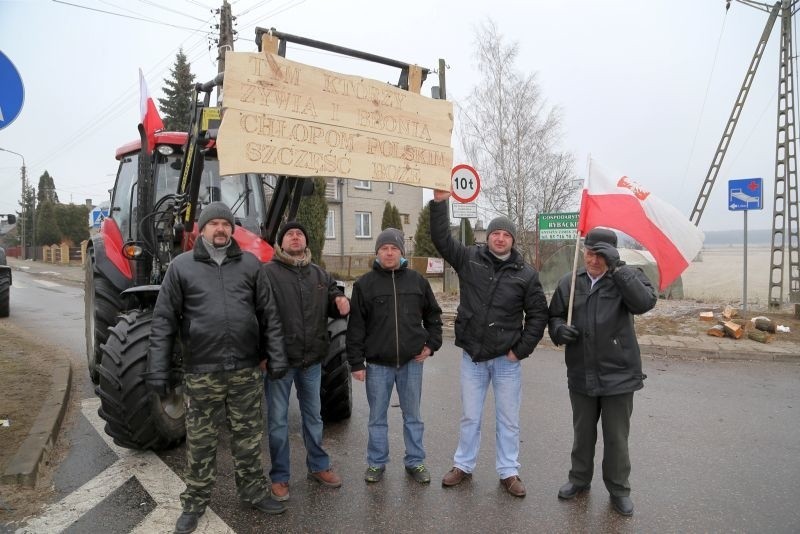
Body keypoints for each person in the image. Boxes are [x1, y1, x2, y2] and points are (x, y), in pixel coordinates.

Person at [147, 202, 287, 534]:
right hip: (202, 371)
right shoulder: (181, 267)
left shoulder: (251, 265)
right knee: (200, 441)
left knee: (248, 437)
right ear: (202, 229)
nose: (220, 229)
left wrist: (277, 356)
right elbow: (163, 322)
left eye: (226, 224)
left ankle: (253, 491)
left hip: (244, 370)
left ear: (232, 229)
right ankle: (195, 502)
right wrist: (157, 370)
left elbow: (269, 315)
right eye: (214, 224)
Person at [429, 191, 549, 497]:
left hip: (507, 361)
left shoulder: (526, 275)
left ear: (512, 240)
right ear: (488, 237)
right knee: (470, 415)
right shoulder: (469, 258)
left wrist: (519, 350)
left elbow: (538, 316)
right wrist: (440, 203)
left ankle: (508, 471)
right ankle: (463, 466)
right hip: (473, 357)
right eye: (495, 233)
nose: (499, 238)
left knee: (508, 419)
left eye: (505, 234)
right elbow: (442, 240)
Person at [548, 227, 657, 517]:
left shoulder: (627, 278)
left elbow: (644, 302)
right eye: (589, 252)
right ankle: (579, 480)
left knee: (616, 437)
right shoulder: (570, 282)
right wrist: (559, 330)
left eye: (601, 255)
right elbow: (555, 316)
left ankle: (619, 489)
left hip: (619, 375)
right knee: (582, 433)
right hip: (581, 372)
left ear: (612, 255)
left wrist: (618, 268)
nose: (593, 260)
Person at [347, 228, 443, 484]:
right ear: (377, 252)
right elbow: (356, 327)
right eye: (384, 248)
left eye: (394, 248)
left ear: (401, 251)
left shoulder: (417, 281)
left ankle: (415, 462)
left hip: (412, 363)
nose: (389, 253)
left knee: (413, 416)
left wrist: (431, 345)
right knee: (377, 418)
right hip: (378, 365)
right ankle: (376, 463)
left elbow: (433, 317)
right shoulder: (364, 285)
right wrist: (356, 362)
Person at [263, 221, 350, 501]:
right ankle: (279, 477)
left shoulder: (318, 274)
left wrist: (339, 300)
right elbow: (257, 316)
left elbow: (332, 298)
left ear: (306, 242)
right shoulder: (267, 273)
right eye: (290, 233)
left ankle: (318, 466)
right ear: (281, 242)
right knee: (277, 422)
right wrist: (262, 353)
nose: (296, 237)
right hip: (279, 362)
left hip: (312, 360)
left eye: (300, 233)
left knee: (313, 417)